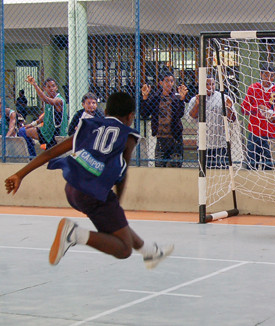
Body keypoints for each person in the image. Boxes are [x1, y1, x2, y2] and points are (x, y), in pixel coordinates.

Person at [4, 92, 174, 268]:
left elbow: (50, 152)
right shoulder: (127, 136)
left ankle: (148, 252)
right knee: (124, 249)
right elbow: (122, 176)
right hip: (93, 193)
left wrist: (20, 174)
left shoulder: (89, 124)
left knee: (117, 223)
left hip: (72, 188)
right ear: (131, 116)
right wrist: (118, 202)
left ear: (105, 110)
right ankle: (74, 234)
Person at [241, 64, 275, 170]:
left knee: (270, 166)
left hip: (271, 133)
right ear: (261, 75)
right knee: (251, 165)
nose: (269, 79)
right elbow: (244, 109)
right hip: (255, 132)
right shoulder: (253, 88)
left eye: (272, 76)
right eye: (266, 75)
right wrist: (257, 108)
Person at [187, 75, 236, 169]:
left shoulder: (224, 98)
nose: (210, 87)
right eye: (207, 84)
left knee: (222, 173)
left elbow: (232, 119)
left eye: (212, 84)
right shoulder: (195, 99)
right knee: (205, 172)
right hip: (204, 144)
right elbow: (190, 119)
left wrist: (229, 109)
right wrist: (197, 105)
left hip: (221, 144)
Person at [140, 71, 188, 168]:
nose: (169, 84)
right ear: (161, 83)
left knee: (175, 166)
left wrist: (182, 99)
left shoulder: (176, 97)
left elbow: (180, 114)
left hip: (175, 138)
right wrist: (145, 98)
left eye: (171, 81)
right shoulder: (156, 97)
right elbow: (144, 114)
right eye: (166, 81)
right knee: (159, 166)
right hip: (161, 138)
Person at [17, 76, 68, 158]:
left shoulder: (58, 100)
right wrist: (33, 124)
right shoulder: (48, 100)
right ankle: (32, 157)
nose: (51, 88)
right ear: (44, 88)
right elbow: (46, 114)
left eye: (53, 86)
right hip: (45, 132)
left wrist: (34, 85)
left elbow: (46, 100)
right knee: (22, 131)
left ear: (57, 88)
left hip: (55, 134)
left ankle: (34, 156)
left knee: (53, 160)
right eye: (48, 86)